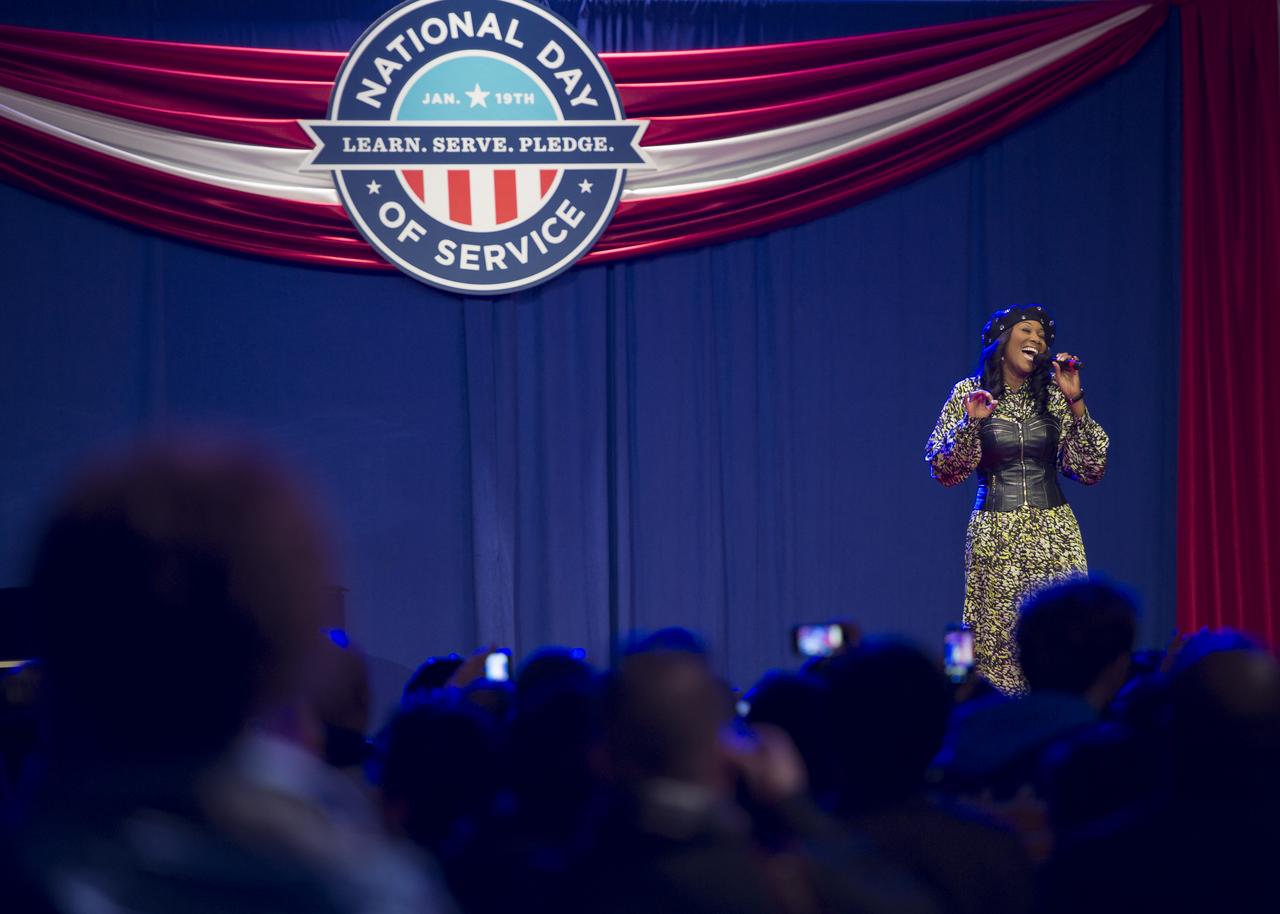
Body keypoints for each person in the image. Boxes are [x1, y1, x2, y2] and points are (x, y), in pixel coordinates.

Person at [925, 305, 1109, 693]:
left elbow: (1091, 469)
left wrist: (1076, 402)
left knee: (1064, 635)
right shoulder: (968, 392)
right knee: (998, 645)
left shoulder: (1056, 395)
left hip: (1055, 532)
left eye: (1042, 336)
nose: (1037, 340)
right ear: (1003, 339)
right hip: (996, 536)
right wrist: (970, 422)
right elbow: (945, 470)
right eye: (1027, 330)